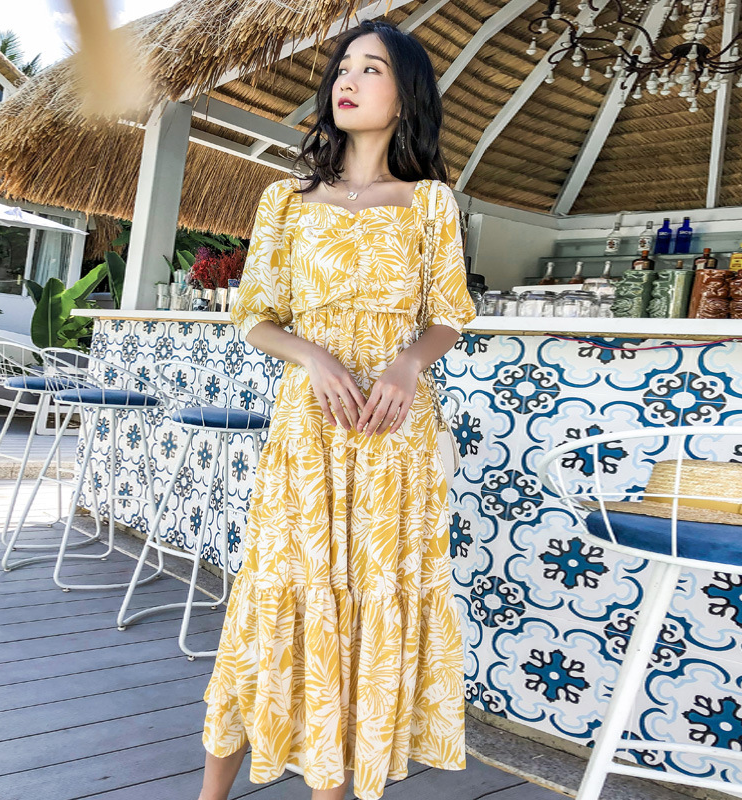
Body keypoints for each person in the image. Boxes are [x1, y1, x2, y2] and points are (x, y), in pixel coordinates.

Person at [196, 19, 476, 800]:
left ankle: (331, 786)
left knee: (368, 605)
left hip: (392, 436)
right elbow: (255, 315)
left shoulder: (430, 204)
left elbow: (450, 315)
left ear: (406, 96)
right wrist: (312, 356)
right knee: (275, 592)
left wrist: (409, 362)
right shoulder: (284, 201)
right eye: (343, 67)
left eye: (371, 68)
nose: (347, 79)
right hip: (309, 432)